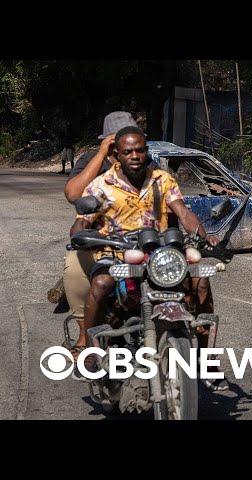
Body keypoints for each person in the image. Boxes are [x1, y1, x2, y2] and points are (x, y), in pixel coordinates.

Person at [69, 126, 220, 367]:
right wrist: (80, 235)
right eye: (128, 152)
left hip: (160, 255)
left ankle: (206, 360)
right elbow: (81, 222)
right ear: (117, 155)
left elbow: (183, 212)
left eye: (139, 150)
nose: (135, 156)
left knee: (200, 279)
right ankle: (91, 349)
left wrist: (204, 236)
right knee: (100, 283)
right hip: (116, 254)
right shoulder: (102, 185)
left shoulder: (163, 180)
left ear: (146, 151)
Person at [62, 112, 139, 355]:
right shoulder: (92, 160)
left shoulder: (144, 163)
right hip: (99, 240)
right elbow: (74, 194)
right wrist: (101, 154)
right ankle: (85, 334)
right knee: (74, 268)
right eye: (118, 142)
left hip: (138, 241)